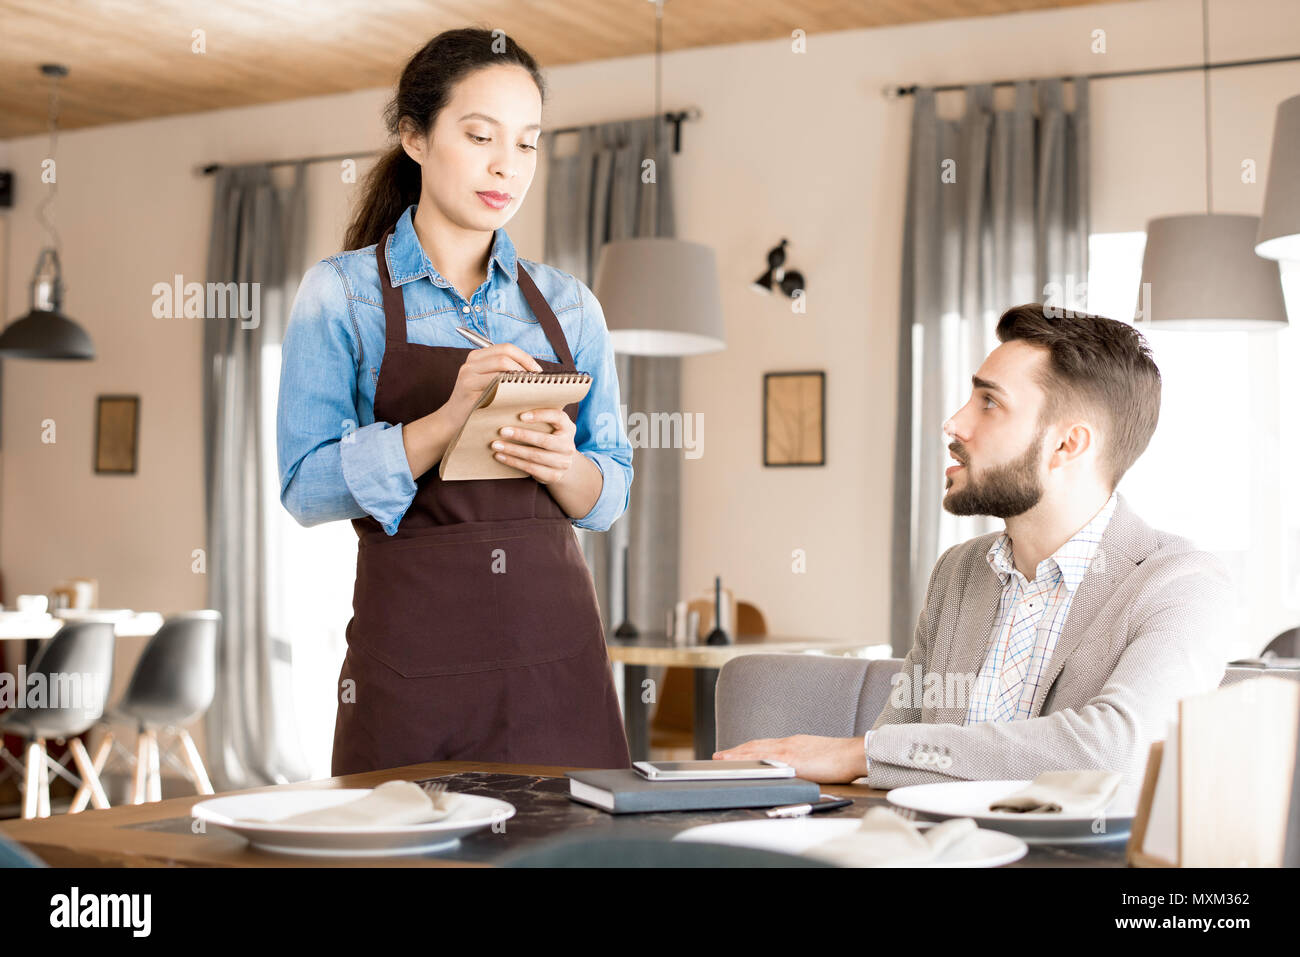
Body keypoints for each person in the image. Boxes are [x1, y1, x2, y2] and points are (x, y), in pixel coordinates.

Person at [277, 29, 632, 776]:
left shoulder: (570, 306)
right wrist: (444, 422)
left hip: (557, 662)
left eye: (529, 144)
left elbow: (610, 490)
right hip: (411, 670)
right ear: (414, 135)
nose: (507, 164)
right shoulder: (341, 295)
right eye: (479, 135)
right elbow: (305, 488)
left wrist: (566, 465)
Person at [716, 304, 1234, 788]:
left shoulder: (1181, 583)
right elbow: (899, 745)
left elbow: (1115, 750)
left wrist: (858, 754)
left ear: (1066, 445)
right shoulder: (960, 571)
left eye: (989, 403)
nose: (955, 423)